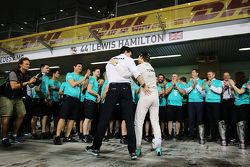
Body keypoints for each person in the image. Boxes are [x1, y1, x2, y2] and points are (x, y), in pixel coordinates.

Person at [85, 46, 150, 160]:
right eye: (130, 54)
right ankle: (132, 152)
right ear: (126, 52)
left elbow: (109, 78)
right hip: (125, 88)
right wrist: (144, 85)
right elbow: (136, 74)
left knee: (104, 118)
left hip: (113, 88)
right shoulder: (128, 59)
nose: (131, 56)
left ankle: (95, 148)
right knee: (129, 120)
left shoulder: (110, 61)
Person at [0, 57, 36, 146]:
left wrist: (35, 82)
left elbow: (30, 86)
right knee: (7, 116)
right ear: (20, 65)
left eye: (29, 64)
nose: (28, 65)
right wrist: (28, 82)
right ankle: (4, 138)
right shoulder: (13, 73)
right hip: (6, 96)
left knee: (22, 114)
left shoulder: (28, 73)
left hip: (18, 97)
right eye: (26, 64)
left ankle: (14, 135)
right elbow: (13, 86)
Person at [53, 63, 90, 145]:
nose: (80, 68)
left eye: (81, 66)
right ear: (74, 67)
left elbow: (83, 88)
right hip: (68, 98)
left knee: (72, 119)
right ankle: (57, 136)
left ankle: (67, 136)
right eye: (79, 66)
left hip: (77, 100)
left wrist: (87, 79)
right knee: (63, 117)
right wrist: (84, 78)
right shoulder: (69, 74)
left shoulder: (81, 77)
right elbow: (73, 84)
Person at [229, 72, 249, 149]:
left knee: (243, 123)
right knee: (234, 121)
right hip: (236, 104)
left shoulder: (246, 83)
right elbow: (235, 94)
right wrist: (232, 87)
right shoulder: (236, 84)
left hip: (244, 105)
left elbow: (240, 92)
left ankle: (245, 140)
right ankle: (238, 138)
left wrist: (233, 85)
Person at [185, 69, 205, 144]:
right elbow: (186, 91)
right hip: (191, 102)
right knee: (191, 118)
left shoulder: (202, 81)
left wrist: (196, 85)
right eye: (192, 72)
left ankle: (199, 135)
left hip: (199, 102)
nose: (192, 73)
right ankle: (191, 134)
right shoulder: (189, 82)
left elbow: (203, 93)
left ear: (197, 73)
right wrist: (192, 86)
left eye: (193, 72)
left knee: (199, 118)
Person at [31, 64, 51, 139]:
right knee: (35, 116)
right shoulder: (39, 76)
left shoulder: (47, 77)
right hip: (37, 98)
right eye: (47, 68)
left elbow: (47, 89)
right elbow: (37, 89)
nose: (48, 69)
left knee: (45, 115)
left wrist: (48, 98)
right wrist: (44, 97)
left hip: (44, 98)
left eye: (48, 68)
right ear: (42, 68)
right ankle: (33, 133)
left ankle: (43, 132)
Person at [202, 70, 222, 143]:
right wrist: (203, 88)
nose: (209, 76)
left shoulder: (218, 82)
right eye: (208, 74)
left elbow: (219, 91)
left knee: (216, 120)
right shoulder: (206, 82)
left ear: (214, 75)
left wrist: (211, 86)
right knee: (210, 120)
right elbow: (204, 94)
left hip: (216, 103)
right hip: (208, 102)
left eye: (210, 74)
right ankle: (213, 136)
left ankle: (219, 136)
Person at [82, 67, 101, 143]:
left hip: (92, 101)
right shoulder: (92, 79)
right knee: (87, 118)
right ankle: (84, 135)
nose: (99, 73)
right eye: (97, 71)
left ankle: (87, 134)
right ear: (93, 72)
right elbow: (89, 90)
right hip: (89, 100)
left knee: (90, 119)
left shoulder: (95, 81)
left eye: (99, 72)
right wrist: (97, 95)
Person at [165, 74, 185, 140]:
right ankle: (170, 134)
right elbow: (166, 92)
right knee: (169, 120)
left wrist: (177, 86)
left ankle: (177, 134)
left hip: (179, 105)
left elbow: (183, 92)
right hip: (170, 104)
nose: (173, 77)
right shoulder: (168, 84)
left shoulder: (181, 84)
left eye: (175, 76)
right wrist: (172, 85)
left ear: (177, 78)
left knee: (178, 120)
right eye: (172, 76)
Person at [221, 72, 235, 146]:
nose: (226, 76)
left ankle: (233, 136)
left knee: (232, 120)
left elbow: (234, 91)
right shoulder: (221, 82)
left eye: (227, 75)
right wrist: (225, 87)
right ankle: (225, 137)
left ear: (229, 76)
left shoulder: (232, 81)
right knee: (225, 120)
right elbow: (220, 92)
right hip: (224, 101)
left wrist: (229, 86)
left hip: (231, 101)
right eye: (224, 75)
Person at [48, 69, 61, 136]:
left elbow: (61, 90)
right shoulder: (49, 81)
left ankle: (55, 130)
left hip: (57, 101)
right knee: (49, 117)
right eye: (57, 73)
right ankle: (47, 131)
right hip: (50, 100)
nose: (59, 74)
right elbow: (47, 89)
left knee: (57, 117)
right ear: (53, 73)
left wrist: (56, 88)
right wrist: (51, 88)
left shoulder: (59, 83)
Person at [157, 74, 167, 139]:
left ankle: (162, 132)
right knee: (157, 120)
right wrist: (159, 93)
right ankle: (157, 133)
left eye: (162, 77)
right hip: (156, 105)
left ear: (163, 78)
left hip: (163, 104)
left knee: (163, 120)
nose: (160, 78)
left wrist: (163, 90)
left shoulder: (165, 86)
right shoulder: (155, 85)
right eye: (159, 77)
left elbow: (165, 93)